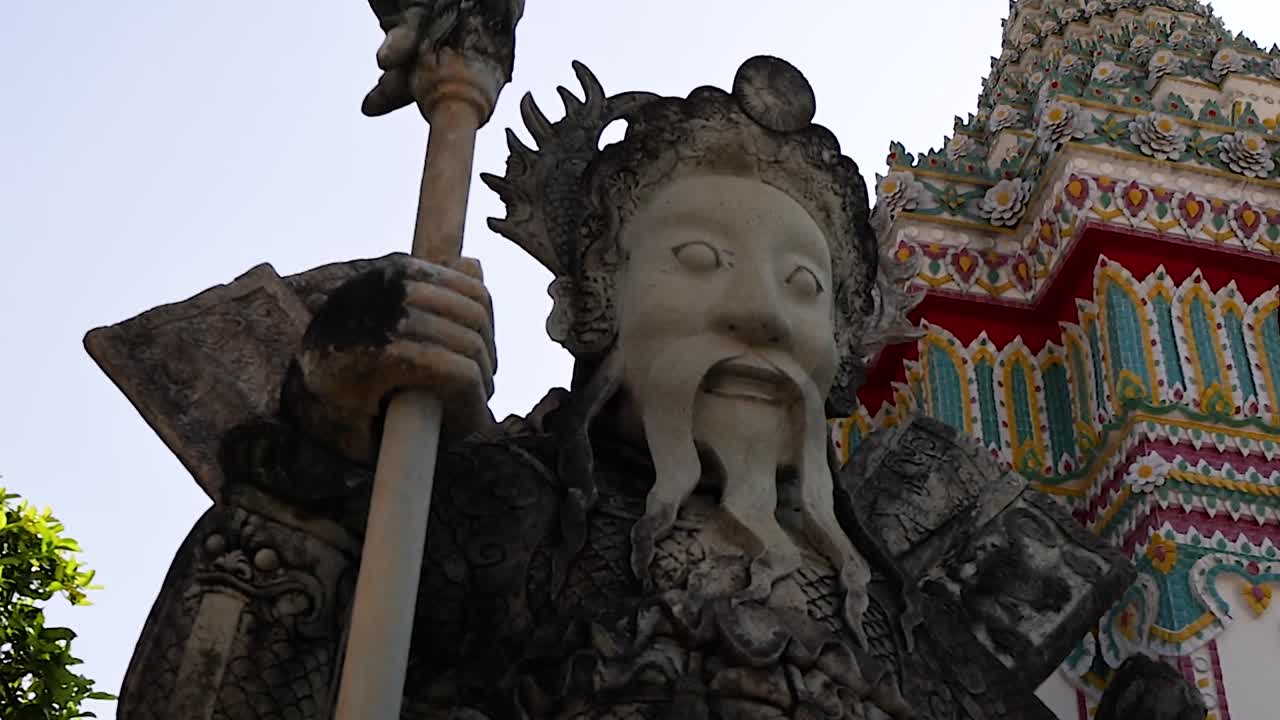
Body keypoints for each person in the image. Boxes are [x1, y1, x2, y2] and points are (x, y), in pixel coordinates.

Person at [102, 56, 1132, 720]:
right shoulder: (480, 517)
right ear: (590, 312)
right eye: (695, 256)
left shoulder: (907, 615)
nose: (762, 315)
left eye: (804, 286)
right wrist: (320, 450)